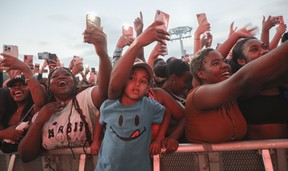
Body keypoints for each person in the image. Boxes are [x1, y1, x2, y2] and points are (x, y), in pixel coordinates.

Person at [18, 25, 112, 163]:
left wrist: (102, 53)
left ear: (75, 82)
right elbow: (25, 155)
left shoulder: (85, 98)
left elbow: (104, 90)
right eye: (55, 76)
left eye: (67, 74)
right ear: (49, 85)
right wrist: (39, 122)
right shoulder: (43, 113)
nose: (61, 77)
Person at [95, 20, 170, 171]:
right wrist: (96, 141)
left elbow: (166, 113)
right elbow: (100, 118)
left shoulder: (148, 105)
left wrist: (160, 138)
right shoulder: (110, 104)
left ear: (148, 86)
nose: (137, 84)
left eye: (143, 81)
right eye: (131, 78)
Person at [186, 41, 288, 144]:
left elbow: (270, 80)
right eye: (216, 63)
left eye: (224, 61)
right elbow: (243, 79)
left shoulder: (232, 96)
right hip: (203, 159)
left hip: (236, 159)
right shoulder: (199, 95)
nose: (225, 65)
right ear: (201, 74)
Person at [229, 37, 288, 140]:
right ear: (241, 61)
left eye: (264, 47)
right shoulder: (243, 87)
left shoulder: (280, 83)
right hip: (254, 154)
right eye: (254, 49)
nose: (264, 51)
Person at [0, 54, 45, 153]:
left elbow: (40, 101)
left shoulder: (34, 107)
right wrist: (4, 134)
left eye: (23, 85)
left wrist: (25, 69)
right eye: (13, 85)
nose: (17, 87)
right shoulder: (6, 108)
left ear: (30, 89)